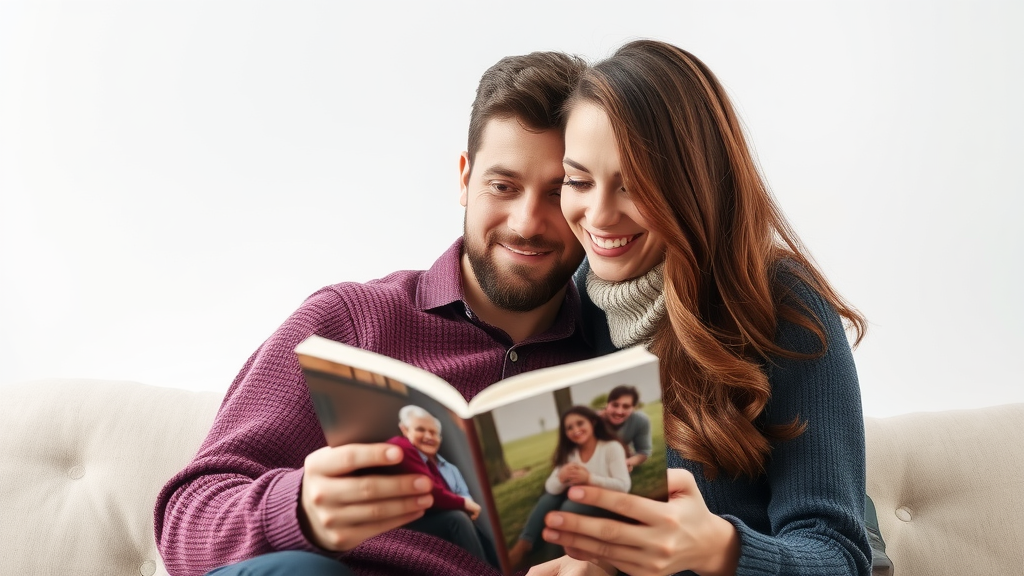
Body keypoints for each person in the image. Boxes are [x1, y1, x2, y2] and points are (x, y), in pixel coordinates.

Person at [154, 50, 591, 576]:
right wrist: (298, 510)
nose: (527, 222)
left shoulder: (611, 354)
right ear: (464, 179)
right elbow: (185, 521)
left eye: (557, 192)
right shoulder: (351, 321)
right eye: (503, 187)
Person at [528, 40, 872, 576]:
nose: (597, 215)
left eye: (634, 185)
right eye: (577, 180)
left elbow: (839, 555)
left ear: (692, 184)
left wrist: (721, 549)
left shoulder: (781, 303)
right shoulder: (574, 301)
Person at [508, 406, 630, 568]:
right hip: (577, 497)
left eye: (580, 423)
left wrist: (589, 479)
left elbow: (623, 486)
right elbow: (551, 488)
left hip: (604, 503)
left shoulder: (610, 447)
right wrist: (561, 477)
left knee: (568, 505)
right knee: (548, 499)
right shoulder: (570, 454)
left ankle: (551, 557)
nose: (575, 430)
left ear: (593, 423)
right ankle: (524, 544)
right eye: (569, 428)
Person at [383, 405, 491, 565]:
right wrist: (463, 503)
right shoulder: (401, 447)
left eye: (433, 432)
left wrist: (464, 503)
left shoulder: (448, 468)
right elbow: (431, 490)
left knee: (477, 531)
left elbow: (458, 493)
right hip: (406, 523)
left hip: (432, 517)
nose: (428, 436)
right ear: (405, 430)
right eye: (420, 429)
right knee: (457, 519)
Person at [599, 385, 652, 470]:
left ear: (633, 408)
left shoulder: (641, 420)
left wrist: (627, 463)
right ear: (607, 405)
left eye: (626, 406)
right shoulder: (593, 421)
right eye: (615, 405)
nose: (619, 411)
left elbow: (643, 452)